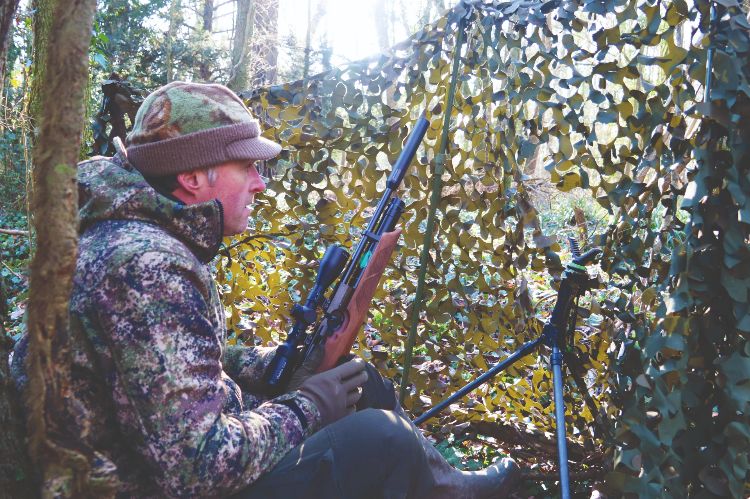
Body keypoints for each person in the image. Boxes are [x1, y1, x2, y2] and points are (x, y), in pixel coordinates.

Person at [11, 81, 520, 498]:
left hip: (143, 459)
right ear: (192, 177)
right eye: (248, 167)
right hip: (140, 484)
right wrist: (307, 406)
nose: (260, 182)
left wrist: (270, 365)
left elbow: (170, 360)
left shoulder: (133, 234)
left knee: (360, 383)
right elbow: (197, 470)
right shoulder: (147, 265)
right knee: (383, 438)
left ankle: (452, 487)